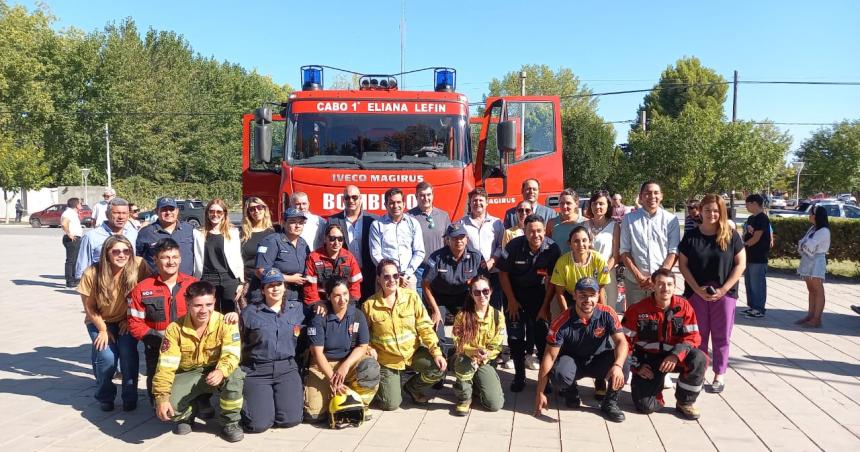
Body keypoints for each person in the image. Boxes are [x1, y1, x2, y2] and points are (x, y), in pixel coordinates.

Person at [153, 281, 244, 442]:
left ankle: (230, 423)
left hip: (216, 370)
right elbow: (166, 366)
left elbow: (232, 354)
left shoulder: (226, 323)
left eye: (209, 304)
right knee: (169, 407)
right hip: (189, 373)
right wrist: (161, 397)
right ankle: (187, 414)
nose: (204, 310)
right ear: (188, 303)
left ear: (215, 302)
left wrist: (221, 371)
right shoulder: (175, 329)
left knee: (235, 376)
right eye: (197, 305)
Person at [534, 277, 628, 423]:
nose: (587, 299)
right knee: (558, 374)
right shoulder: (561, 321)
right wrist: (540, 392)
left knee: (624, 364)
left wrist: (618, 365)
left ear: (598, 296)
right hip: (573, 362)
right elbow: (549, 357)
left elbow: (622, 341)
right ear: (574, 295)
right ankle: (571, 392)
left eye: (592, 295)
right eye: (583, 295)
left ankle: (610, 403)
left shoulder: (608, 313)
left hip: (599, 360)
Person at [678, 194, 745, 394]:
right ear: (701, 211)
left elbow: (741, 264)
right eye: (707, 210)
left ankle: (719, 373)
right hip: (696, 293)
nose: (712, 214)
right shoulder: (691, 236)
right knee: (698, 336)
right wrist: (697, 289)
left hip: (724, 295)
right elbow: (683, 265)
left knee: (721, 335)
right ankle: (698, 371)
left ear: (722, 212)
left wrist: (724, 289)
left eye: (716, 210)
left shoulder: (731, 235)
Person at [621, 269, 708, 420]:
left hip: (675, 358)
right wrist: (637, 366)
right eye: (660, 284)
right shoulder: (637, 309)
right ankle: (656, 388)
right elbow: (624, 342)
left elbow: (693, 337)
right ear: (653, 286)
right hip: (648, 361)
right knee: (645, 407)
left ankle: (685, 401)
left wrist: (675, 355)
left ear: (675, 287)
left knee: (699, 358)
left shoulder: (684, 307)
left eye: (669, 284)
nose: (665, 288)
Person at [77, 235, 150, 411]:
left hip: (127, 319)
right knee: (107, 357)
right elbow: (89, 307)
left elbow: (148, 293)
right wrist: (102, 329)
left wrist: (129, 318)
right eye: (116, 251)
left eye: (126, 251)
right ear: (106, 253)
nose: (121, 255)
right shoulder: (92, 273)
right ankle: (105, 395)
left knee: (128, 354)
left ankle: (130, 397)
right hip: (100, 320)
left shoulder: (139, 265)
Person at [362, 259, 446, 410]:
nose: (392, 280)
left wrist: (436, 352)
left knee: (438, 368)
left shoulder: (411, 298)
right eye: (386, 276)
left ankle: (413, 387)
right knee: (390, 404)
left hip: (411, 354)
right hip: (387, 360)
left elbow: (425, 327)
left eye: (395, 275)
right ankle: (387, 384)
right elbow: (363, 337)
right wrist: (369, 349)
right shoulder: (369, 305)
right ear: (378, 279)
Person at [240, 268, 311, 432]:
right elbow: (238, 341)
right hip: (258, 370)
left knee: (291, 420)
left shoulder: (298, 309)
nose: (275, 288)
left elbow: (318, 314)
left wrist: (323, 304)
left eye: (278, 284)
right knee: (258, 425)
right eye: (269, 285)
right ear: (263, 289)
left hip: (287, 369)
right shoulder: (249, 312)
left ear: (284, 286)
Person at [128, 238, 198, 402]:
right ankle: (158, 400)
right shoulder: (142, 288)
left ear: (180, 259)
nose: (171, 261)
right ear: (155, 260)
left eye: (174, 257)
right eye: (165, 257)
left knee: (191, 383)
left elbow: (206, 315)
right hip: (157, 346)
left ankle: (198, 401)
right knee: (158, 386)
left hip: (189, 345)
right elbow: (134, 322)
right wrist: (155, 337)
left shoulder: (193, 284)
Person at [498, 214, 561, 391]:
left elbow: (553, 280)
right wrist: (511, 301)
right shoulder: (513, 246)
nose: (536, 235)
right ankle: (519, 376)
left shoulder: (552, 248)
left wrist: (545, 307)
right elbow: (503, 274)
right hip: (514, 295)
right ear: (524, 232)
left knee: (542, 338)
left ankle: (544, 377)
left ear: (544, 231)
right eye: (531, 231)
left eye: (539, 231)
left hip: (539, 296)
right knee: (516, 338)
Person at [305, 277, 381, 422]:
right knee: (314, 415)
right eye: (337, 295)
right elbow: (317, 353)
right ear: (328, 297)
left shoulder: (357, 315)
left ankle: (361, 404)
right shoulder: (319, 317)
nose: (342, 299)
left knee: (370, 367)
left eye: (345, 294)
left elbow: (362, 345)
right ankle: (338, 391)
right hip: (323, 366)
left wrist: (345, 366)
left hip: (347, 363)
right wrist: (333, 379)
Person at [422, 223, 487, 353]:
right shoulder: (437, 257)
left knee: (468, 328)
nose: (459, 241)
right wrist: (435, 310)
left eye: (462, 237)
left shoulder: (476, 256)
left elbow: (484, 282)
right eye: (454, 238)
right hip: (439, 297)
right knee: (437, 329)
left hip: (462, 296)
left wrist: (479, 306)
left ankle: (461, 356)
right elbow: (425, 284)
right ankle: (441, 361)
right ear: (447, 240)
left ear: (467, 239)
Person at [619, 181, 680, 307]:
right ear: (640, 197)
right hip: (635, 283)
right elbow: (624, 251)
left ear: (661, 196)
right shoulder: (628, 219)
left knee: (662, 322)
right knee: (635, 323)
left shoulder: (671, 220)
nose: (652, 196)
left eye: (656, 193)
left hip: (662, 284)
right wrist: (638, 276)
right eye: (647, 193)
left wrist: (657, 278)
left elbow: (673, 251)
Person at [451, 276, 506, 416]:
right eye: (477, 292)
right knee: (463, 364)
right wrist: (472, 351)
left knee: (494, 404)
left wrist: (487, 354)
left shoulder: (498, 316)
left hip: (485, 361)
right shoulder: (462, 315)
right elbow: (457, 341)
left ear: (491, 291)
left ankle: (476, 385)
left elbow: (498, 344)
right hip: (466, 358)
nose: (482, 295)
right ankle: (464, 397)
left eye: (485, 291)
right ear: (471, 294)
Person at [327, 185, 377, 302]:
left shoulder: (373, 220)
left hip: (369, 274)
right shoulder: (333, 221)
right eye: (347, 197)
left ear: (361, 199)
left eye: (354, 197)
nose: (351, 201)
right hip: (343, 275)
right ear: (343, 200)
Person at [369, 188, 425, 291]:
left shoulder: (413, 223)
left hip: (407, 278)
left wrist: (407, 274)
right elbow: (375, 254)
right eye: (391, 203)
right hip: (385, 278)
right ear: (385, 205)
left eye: (399, 202)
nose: (395, 206)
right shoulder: (377, 225)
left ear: (404, 204)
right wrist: (392, 275)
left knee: (409, 307)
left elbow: (419, 252)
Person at [195, 199, 244, 313]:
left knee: (230, 313)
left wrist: (241, 282)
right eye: (211, 211)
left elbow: (238, 258)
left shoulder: (233, 232)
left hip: (229, 278)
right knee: (211, 314)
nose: (215, 214)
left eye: (219, 212)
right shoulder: (198, 233)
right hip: (207, 278)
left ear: (224, 214)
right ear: (207, 213)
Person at [255, 208, 311, 306]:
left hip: (297, 297)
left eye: (301, 223)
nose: (297, 226)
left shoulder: (303, 243)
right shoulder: (271, 241)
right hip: (273, 297)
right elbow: (260, 272)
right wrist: (290, 279)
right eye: (293, 222)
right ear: (283, 223)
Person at [549, 226, 612, 313]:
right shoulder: (562, 262)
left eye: (584, 240)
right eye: (576, 241)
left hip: (593, 297)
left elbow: (600, 290)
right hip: (570, 298)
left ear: (590, 242)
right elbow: (560, 293)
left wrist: (603, 314)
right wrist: (566, 315)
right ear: (569, 244)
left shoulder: (599, 260)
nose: (581, 244)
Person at [460, 188, 504, 309]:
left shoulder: (497, 223)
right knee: (473, 309)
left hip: (493, 273)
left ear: (487, 202)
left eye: (481, 200)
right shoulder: (461, 224)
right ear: (470, 203)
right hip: (471, 273)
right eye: (474, 200)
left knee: (493, 308)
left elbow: (501, 246)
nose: (477, 203)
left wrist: (492, 261)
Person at [407, 181, 451, 300]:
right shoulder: (408, 217)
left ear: (433, 195)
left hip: (440, 269)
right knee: (421, 308)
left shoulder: (443, 215)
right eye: (422, 195)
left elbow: (449, 242)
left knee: (438, 306)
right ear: (416, 197)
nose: (425, 198)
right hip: (419, 270)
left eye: (428, 194)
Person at [76, 197, 138, 280]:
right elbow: (82, 269)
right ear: (107, 214)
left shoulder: (133, 233)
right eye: (116, 213)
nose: (121, 217)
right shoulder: (91, 237)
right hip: (101, 285)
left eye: (124, 213)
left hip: (128, 285)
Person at [137, 197, 200, 277]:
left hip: (185, 283)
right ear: (156, 211)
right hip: (156, 283)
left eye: (171, 209)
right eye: (164, 209)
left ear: (177, 211)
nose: (168, 212)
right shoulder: (146, 232)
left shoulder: (189, 229)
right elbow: (137, 259)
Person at [304, 223, 363, 308]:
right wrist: (317, 304)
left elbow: (355, 285)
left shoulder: (349, 257)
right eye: (332, 239)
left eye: (340, 239)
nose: (336, 242)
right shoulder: (314, 257)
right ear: (325, 239)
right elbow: (309, 287)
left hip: (343, 302)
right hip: (321, 302)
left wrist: (350, 304)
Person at [585, 191, 620, 311]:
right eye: (594, 204)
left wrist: (603, 271)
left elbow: (615, 255)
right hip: (587, 274)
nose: (598, 207)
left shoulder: (614, 226)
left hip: (607, 274)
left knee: (608, 310)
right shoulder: (584, 225)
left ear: (608, 206)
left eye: (601, 204)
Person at [796, 205, 830, 328]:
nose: (809, 215)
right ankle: (810, 315)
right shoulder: (813, 228)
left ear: (816, 216)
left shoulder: (824, 231)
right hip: (808, 259)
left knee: (818, 289)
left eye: (810, 213)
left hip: (816, 261)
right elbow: (803, 243)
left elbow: (809, 245)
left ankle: (817, 318)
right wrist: (804, 244)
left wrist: (804, 244)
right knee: (811, 290)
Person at [240, 197, 277, 306]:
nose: (256, 211)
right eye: (252, 209)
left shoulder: (275, 231)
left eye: (259, 207)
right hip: (248, 283)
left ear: (265, 209)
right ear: (248, 212)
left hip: (270, 283)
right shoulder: (242, 234)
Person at [743, 194, 771, 318]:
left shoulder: (763, 218)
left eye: (747, 204)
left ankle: (759, 309)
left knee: (757, 284)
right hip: (748, 257)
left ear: (754, 203)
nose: (746, 206)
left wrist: (744, 246)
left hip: (759, 257)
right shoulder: (750, 218)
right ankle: (752, 307)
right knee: (749, 283)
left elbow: (757, 237)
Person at [547, 189, 584, 254]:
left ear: (576, 204)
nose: (564, 206)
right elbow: (547, 244)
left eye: (568, 203)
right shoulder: (551, 223)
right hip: (558, 263)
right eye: (562, 203)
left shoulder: (584, 222)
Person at [62, 197, 84, 288]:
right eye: (80, 203)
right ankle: (70, 281)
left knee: (75, 260)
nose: (81, 205)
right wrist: (69, 234)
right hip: (72, 239)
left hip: (75, 238)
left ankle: (74, 279)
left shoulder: (72, 213)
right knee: (71, 260)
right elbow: (64, 223)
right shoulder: (69, 212)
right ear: (76, 205)